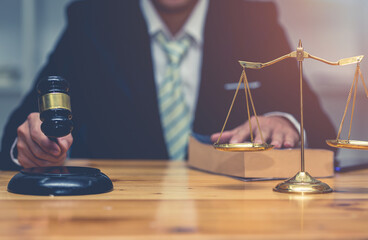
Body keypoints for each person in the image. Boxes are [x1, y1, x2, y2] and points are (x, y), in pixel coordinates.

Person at [0, 0, 335, 170]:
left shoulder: (252, 17)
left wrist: (287, 124)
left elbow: (322, 134)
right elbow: (14, 139)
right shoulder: (93, 20)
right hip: (119, 220)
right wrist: (32, 147)